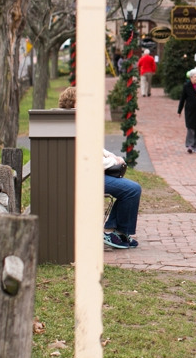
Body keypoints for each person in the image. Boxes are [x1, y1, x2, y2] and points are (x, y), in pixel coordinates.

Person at [58, 87, 141, 249]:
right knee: (132, 190)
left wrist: (111, 156)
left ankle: (118, 232)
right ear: (71, 105)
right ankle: (116, 232)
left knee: (131, 189)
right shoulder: (71, 127)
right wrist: (113, 162)